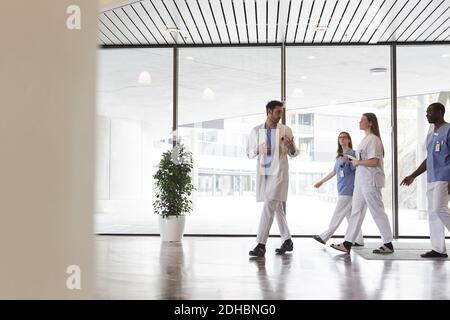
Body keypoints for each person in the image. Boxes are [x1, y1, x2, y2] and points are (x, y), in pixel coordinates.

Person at [331, 113, 394, 254]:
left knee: (377, 211)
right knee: (356, 212)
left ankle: (388, 243)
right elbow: (363, 160)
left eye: (362, 120)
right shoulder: (365, 139)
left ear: (370, 123)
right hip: (361, 181)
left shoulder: (374, 140)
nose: (359, 122)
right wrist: (352, 159)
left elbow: (374, 161)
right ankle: (347, 243)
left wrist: (357, 162)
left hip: (371, 181)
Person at [246, 100, 299, 257]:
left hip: (279, 174)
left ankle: (261, 244)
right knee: (277, 208)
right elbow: (249, 153)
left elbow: (294, 153)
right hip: (264, 174)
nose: (280, 115)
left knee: (269, 205)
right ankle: (287, 240)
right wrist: (259, 149)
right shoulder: (256, 131)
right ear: (268, 111)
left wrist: (291, 146)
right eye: (278, 112)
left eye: (281, 112)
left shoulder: (286, 130)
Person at [401, 102, 450, 258]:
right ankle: (438, 249)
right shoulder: (430, 135)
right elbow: (429, 159)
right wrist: (413, 175)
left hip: (444, 177)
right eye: (427, 112)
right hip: (432, 178)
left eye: (430, 111)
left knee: (439, 209)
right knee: (433, 213)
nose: (427, 114)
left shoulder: (449, 130)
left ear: (440, 112)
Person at [312, 132, 365, 246]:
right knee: (351, 217)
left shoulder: (353, 154)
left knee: (337, 214)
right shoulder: (339, 156)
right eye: (340, 137)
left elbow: (356, 167)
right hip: (341, 189)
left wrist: (349, 160)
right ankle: (359, 240)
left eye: (344, 137)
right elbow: (334, 172)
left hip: (349, 189)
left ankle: (324, 236)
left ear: (349, 140)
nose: (342, 139)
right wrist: (322, 181)